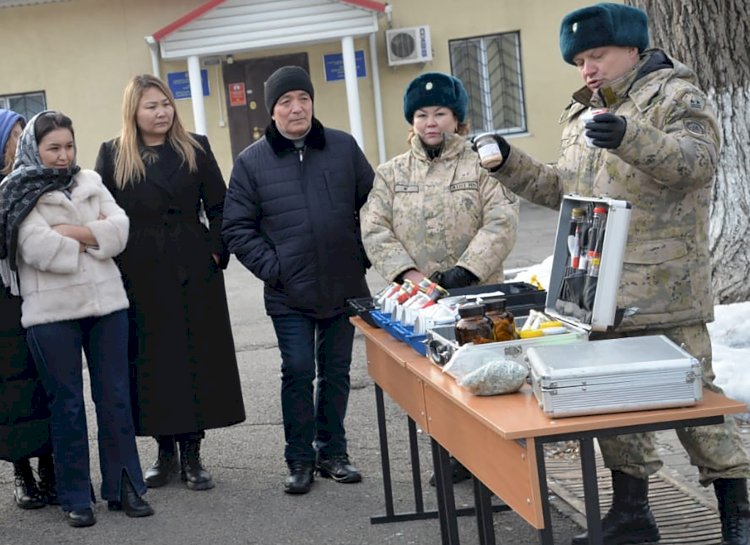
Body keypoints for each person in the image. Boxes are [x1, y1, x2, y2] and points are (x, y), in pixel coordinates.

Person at [478, 4, 750, 545]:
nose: (587, 69)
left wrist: (629, 134)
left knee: (696, 406)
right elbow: (564, 191)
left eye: (596, 55)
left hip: (664, 287)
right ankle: (632, 514)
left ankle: (737, 516)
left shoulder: (678, 96)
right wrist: (509, 162)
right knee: (615, 410)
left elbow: (696, 163)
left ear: (631, 48)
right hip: (596, 289)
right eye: (579, 60)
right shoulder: (581, 115)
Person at [360, 71, 519, 485]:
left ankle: (499, 469)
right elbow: (374, 227)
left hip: (479, 293)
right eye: (422, 114)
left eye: (441, 113)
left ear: (457, 119)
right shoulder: (391, 174)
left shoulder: (483, 165)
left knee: (487, 377)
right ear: (411, 122)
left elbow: (502, 221)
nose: (431, 123)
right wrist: (409, 276)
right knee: (438, 380)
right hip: (422, 299)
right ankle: (453, 455)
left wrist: (467, 270)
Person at [222, 65, 374, 495]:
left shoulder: (343, 147)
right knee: (298, 369)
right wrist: (276, 269)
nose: (296, 108)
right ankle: (299, 460)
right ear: (272, 111)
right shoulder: (251, 162)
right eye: (286, 102)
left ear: (312, 102)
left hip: (344, 285)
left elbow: (375, 206)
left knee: (337, 371)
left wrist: (359, 255)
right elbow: (236, 228)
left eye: (302, 99)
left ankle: (334, 454)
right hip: (289, 291)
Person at [0, 111, 153, 527]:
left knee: (115, 398)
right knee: (65, 405)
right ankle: (75, 496)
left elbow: (121, 229)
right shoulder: (14, 191)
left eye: (68, 146)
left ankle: (126, 487)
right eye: (53, 148)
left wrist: (76, 233)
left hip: (108, 307)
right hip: (51, 313)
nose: (63, 156)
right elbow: (34, 247)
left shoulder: (90, 181)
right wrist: (93, 234)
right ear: (36, 148)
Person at [94, 74, 245, 492]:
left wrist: (215, 250)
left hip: (192, 268)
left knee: (195, 359)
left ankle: (193, 454)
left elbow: (220, 204)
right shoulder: (113, 154)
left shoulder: (194, 146)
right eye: (151, 106)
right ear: (134, 112)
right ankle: (164, 452)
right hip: (140, 272)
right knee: (153, 362)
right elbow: (100, 212)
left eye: (166, 104)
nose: (161, 112)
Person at [0, 109, 57, 510]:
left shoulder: (38, 182)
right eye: (11, 136)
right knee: (12, 392)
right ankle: (21, 472)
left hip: (42, 293)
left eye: (23, 134)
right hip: (4, 302)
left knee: (50, 382)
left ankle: (53, 468)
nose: (18, 142)